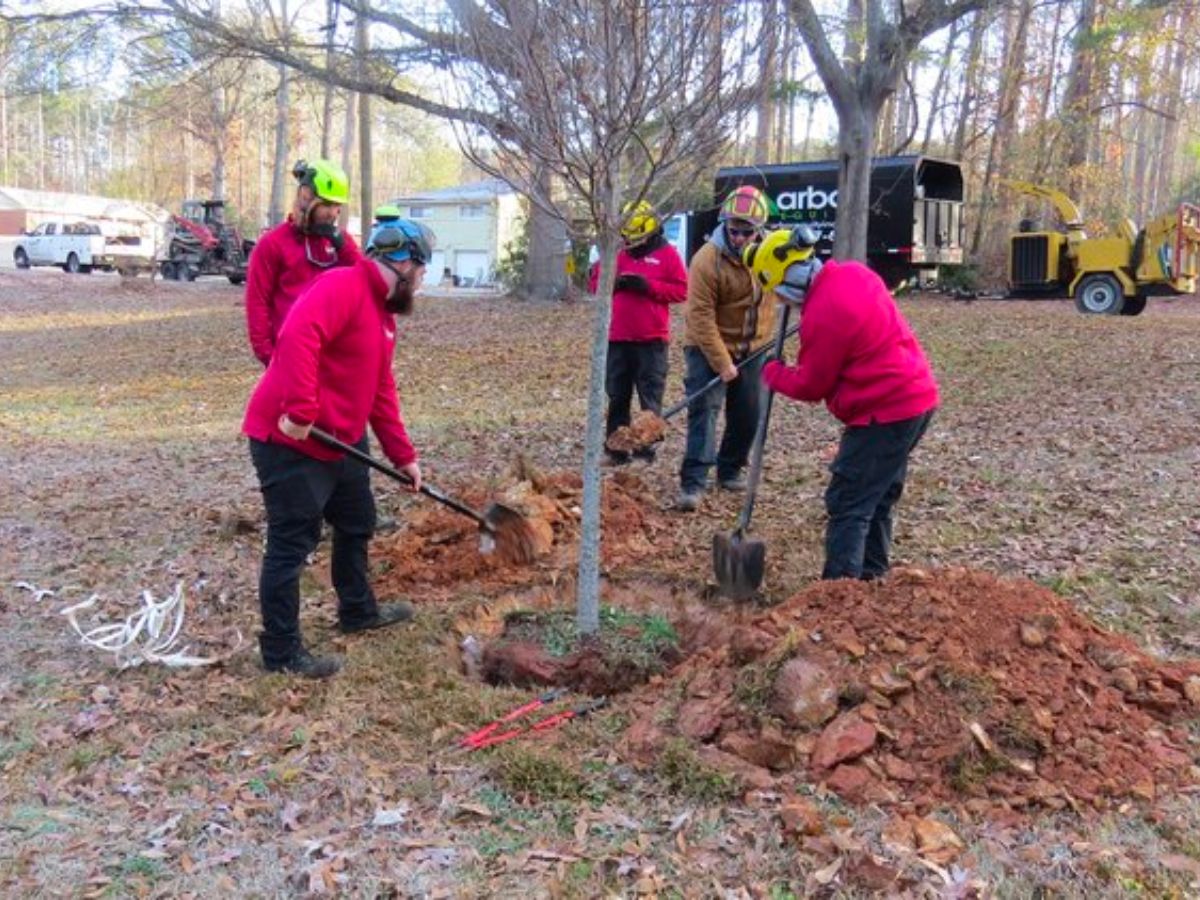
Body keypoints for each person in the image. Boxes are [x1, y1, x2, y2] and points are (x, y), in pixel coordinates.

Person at [242, 218, 436, 678]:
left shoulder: (384, 315)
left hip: (341, 440)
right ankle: (281, 652)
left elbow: (380, 388)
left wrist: (402, 455)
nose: (424, 281)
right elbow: (297, 335)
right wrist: (302, 410)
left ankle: (357, 610)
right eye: (424, 270)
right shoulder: (343, 285)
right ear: (405, 264)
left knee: (357, 521)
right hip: (288, 436)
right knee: (292, 544)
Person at [747, 226, 939, 581]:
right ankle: (871, 578)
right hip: (917, 399)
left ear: (787, 283)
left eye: (778, 294)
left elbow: (810, 385)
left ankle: (839, 595)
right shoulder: (854, 273)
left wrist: (773, 373)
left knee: (849, 502)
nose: (781, 303)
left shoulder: (823, 314)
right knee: (876, 496)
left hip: (885, 411)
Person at [677, 185, 773, 511]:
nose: (739, 238)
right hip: (706, 344)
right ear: (725, 226)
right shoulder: (706, 260)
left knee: (748, 412)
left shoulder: (772, 254)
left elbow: (787, 289)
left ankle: (730, 469)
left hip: (755, 346)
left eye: (747, 232)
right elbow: (700, 317)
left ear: (758, 231)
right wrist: (722, 362)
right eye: (734, 231)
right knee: (705, 410)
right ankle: (693, 482)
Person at [589, 201, 688, 464]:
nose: (633, 244)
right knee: (617, 395)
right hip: (618, 338)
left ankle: (647, 449)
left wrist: (649, 286)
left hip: (652, 340)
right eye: (628, 239)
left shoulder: (668, 255)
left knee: (650, 396)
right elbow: (594, 283)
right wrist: (615, 282)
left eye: (638, 239)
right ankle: (616, 450)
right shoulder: (617, 253)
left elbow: (681, 290)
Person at [244, 159, 362, 366]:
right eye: (327, 204)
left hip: (334, 357)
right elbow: (257, 303)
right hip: (290, 356)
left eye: (337, 206)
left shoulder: (340, 242)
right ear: (306, 197)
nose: (333, 212)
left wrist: (343, 247)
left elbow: (365, 282)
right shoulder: (273, 244)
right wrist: (270, 357)